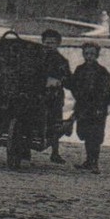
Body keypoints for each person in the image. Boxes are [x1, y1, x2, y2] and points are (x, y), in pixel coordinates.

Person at [66, 41, 110, 173]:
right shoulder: (79, 70)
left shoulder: (102, 72)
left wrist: (100, 106)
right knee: (85, 133)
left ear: (97, 55)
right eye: (86, 53)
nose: (89, 56)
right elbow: (74, 85)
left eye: (92, 54)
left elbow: (107, 92)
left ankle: (94, 162)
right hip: (82, 107)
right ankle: (88, 160)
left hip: (97, 109)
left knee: (95, 135)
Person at [40, 28, 71, 164]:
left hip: (55, 96)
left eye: (52, 43)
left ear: (58, 44)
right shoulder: (36, 57)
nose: (49, 45)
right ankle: (24, 149)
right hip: (37, 94)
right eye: (47, 42)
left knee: (55, 122)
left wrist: (59, 81)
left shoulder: (61, 61)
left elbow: (68, 79)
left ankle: (55, 152)